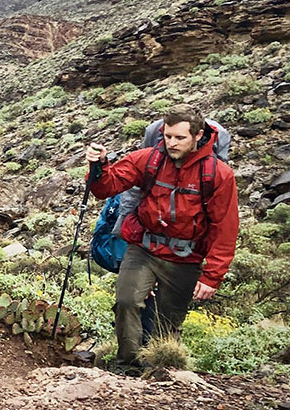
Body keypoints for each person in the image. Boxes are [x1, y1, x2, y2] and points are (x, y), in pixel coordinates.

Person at [86, 104, 240, 373]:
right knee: (126, 301)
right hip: (144, 248)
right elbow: (107, 187)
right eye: (168, 136)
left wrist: (212, 276)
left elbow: (224, 227)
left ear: (197, 135)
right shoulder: (148, 159)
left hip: (185, 258)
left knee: (168, 322)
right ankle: (127, 366)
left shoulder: (217, 174)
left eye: (180, 137)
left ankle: (161, 370)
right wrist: (98, 166)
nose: (172, 143)